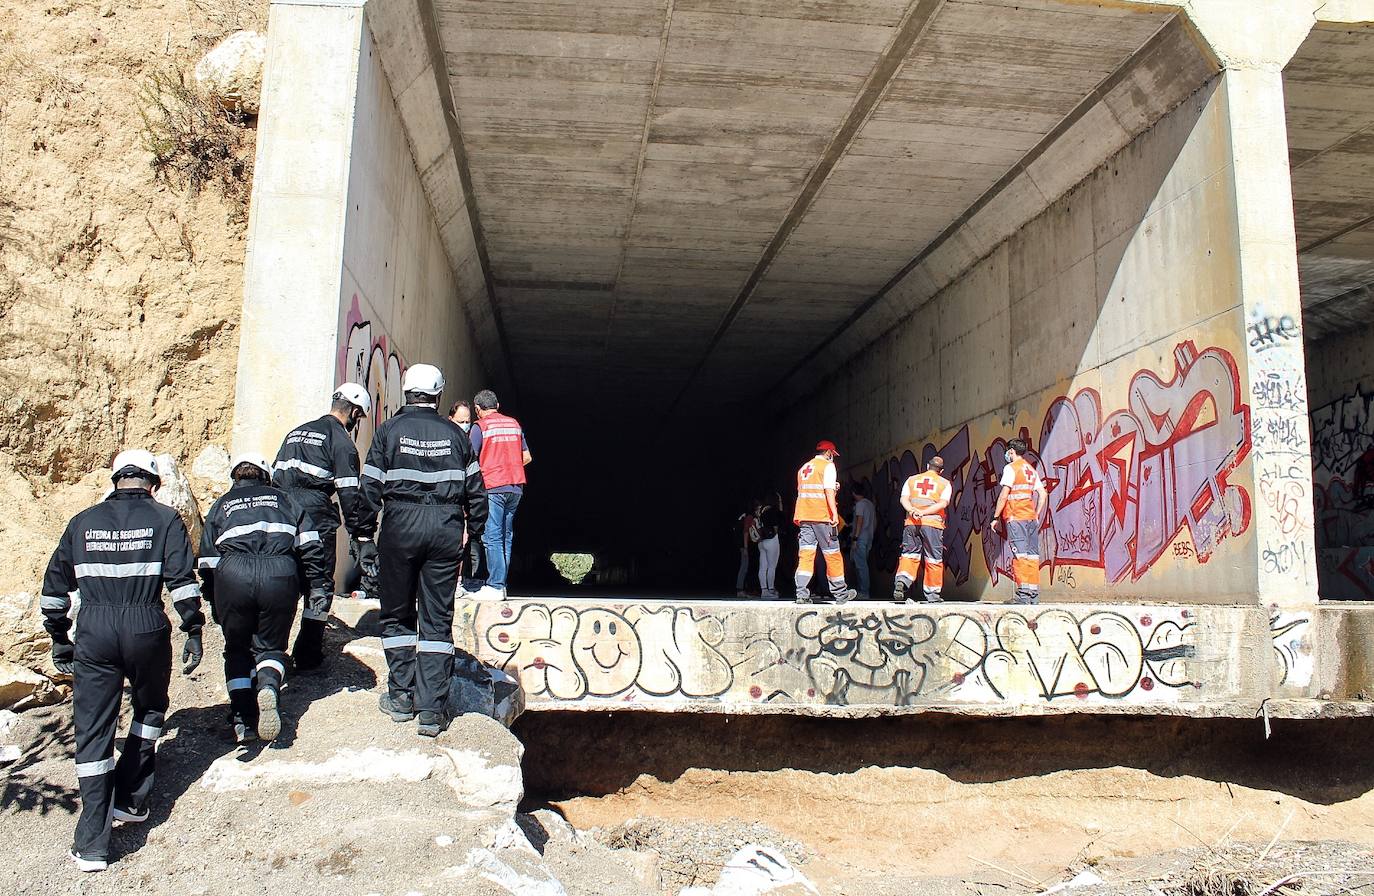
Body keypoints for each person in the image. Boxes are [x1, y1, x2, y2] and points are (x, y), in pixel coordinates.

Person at [40, 450, 204, 873]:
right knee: (149, 708)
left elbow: (55, 587)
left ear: (115, 480)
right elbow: (181, 580)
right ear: (153, 483)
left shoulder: (81, 522)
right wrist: (194, 628)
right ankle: (131, 798)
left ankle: (92, 842)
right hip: (146, 623)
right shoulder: (166, 519)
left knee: (94, 730)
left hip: (94, 627)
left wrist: (60, 637)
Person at [361, 364, 487, 736]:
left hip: (399, 525)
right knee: (436, 619)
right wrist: (476, 536)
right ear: (438, 394)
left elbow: (370, 488)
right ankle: (432, 711)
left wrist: (364, 537)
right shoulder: (456, 435)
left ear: (405, 391)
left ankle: (401, 697)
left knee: (397, 613)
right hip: (445, 529)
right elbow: (476, 491)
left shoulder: (389, 431)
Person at [199, 453, 333, 743]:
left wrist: (214, 598)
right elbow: (311, 546)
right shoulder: (285, 500)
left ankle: (242, 720)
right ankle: (269, 686)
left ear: (235, 478)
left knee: (237, 649)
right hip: (279, 574)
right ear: (266, 476)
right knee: (271, 647)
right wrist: (317, 585)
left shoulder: (221, 505)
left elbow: (208, 561)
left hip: (233, 575)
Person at [271, 383, 374, 670]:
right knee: (318, 585)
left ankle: (271, 654)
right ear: (354, 411)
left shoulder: (295, 432)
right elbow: (349, 493)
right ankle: (307, 654)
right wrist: (360, 535)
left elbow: (276, 475)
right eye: (359, 417)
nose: (357, 423)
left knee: (285, 583)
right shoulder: (341, 442)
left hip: (281, 514)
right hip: (315, 515)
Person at [469, 389, 530, 600]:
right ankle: (501, 584)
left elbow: (469, 458)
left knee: (492, 536)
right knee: (506, 536)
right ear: (497, 405)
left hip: (493, 485)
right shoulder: (514, 424)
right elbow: (527, 457)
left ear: (477, 409)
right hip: (515, 486)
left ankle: (495, 585)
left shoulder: (480, 427)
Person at [793, 440, 857, 604]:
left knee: (806, 555)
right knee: (832, 554)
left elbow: (810, 491)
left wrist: (831, 488)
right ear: (829, 453)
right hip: (822, 516)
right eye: (833, 455)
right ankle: (841, 594)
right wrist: (835, 514)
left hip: (804, 516)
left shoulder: (803, 469)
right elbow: (827, 491)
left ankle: (801, 593)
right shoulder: (827, 466)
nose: (833, 458)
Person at [992, 437, 1047, 604]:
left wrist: (995, 517)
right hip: (1030, 518)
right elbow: (1043, 494)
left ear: (1011, 451)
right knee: (1032, 556)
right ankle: (1033, 595)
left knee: (1020, 555)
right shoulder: (1031, 470)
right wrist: (1036, 513)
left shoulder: (1011, 468)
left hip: (1016, 517)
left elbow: (1004, 495)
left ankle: (1023, 595)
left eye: (1008, 451)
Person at [894, 456, 953, 603]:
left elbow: (903, 499)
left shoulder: (912, 480)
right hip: (932, 524)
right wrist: (924, 513)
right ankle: (932, 594)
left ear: (927, 466)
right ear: (942, 471)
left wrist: (912, 510)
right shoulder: (944, 483)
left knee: (909, 555)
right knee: (933, 558)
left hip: (911, 523)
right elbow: (943, 504)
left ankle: (902, 581)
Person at [449, 400, 483, 593]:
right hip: (447, 502)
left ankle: (460, 580)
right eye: (460, 421)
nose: (465, 425)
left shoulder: (470, 443)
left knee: (464, 542)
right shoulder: (445, 441)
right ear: (450, 419)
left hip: (463, 502)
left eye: (467, 421)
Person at [849, 481, 876, 599]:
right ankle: (864, 590)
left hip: (860, 538)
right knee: (863, 563)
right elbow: (875, 521)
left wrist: (855, 538)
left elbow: (860, 520)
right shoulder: (870, 504)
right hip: (869, 537)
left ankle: (864, 592)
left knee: (861, 565)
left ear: (854, 493)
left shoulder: (860, 504)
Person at [754, 497, 782, 599]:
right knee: (771, 566)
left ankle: (764, 590)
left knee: (762, 567)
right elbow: (775, 526)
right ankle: (771, 589)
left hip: (761, 541)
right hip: (771, 539)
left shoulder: (759, 511)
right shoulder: (772, 511)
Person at [735, 502, 756, 597]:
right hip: (744, 546)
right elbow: (746, 533)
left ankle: (743, 589)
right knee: (744, 567)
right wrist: (746, 548)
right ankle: (740, 590)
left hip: (742, 545)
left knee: (745, 567)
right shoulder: (749, 517)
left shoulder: (742, 517)